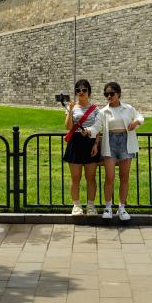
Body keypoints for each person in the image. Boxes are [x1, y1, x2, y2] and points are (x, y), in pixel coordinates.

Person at [86, 82, 144, 221]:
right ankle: (108, 207)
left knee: (124, 177)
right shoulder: (103, 112)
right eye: (106, 94)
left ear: (119, 93)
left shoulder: (128, 108)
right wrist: (88, 131)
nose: (109, 96)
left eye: (112, 93)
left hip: (126, 142)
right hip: (110, 143)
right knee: (109, 177)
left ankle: (122, 208)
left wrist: (135, 122)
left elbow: (141, 117)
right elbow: (96, 127)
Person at [61, 79, 102, 216]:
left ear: (89, 92)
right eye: (78, 90)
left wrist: (96, 144)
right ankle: (76, 205)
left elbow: (98, 128)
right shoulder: (72, 107)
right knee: (75, 177)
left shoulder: (95, 109)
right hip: (76, 142)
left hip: (90, 142)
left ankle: (91, 205)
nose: (81, 92)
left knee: (91, 177)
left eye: (84, 90)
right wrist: (71, 110)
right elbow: (68, 127)